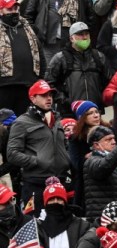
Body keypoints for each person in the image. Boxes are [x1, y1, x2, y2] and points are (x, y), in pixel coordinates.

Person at [6, 80, 71, 214]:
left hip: (60, 181)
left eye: (50, 95)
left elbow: (65, 145)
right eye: (43, 95)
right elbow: (12, 154)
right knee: (36, 225)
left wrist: (67, 160)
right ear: (32, 98)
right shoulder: (21, 122)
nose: (49, 98)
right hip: (36, 183)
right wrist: (36, 161)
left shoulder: (57, 119)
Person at [24, 0, 95, 63]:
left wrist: (83, 36)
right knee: (49, 74)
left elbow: (91, 18)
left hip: (72, 44)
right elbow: (28, 16)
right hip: (48, 43)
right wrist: (37, 35)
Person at [0, 0, 44, 115]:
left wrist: (40, 78)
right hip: (4, 86)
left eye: (15, 9)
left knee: (25, 122)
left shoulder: (28, 28)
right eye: (9, 9)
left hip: (27, 85)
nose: (14, 12)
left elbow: (40, 53)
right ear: (1, 11)